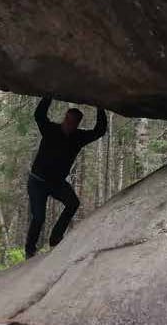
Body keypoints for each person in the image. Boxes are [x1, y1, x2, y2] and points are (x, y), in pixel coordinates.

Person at [25, 96, 107, 258]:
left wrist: (100, 106)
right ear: (64, 118)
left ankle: (55, 238)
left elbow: (99, 131)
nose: (69, 124)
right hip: (37, 182)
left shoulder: (78, 138)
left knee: (73, 203)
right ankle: (29, 250)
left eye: (73, 123)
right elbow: (39, 116)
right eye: (68, 120)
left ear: (77, 124)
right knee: (39, 217)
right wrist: (48, 96)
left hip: (56, 183)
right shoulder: (50, 130)